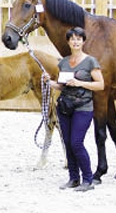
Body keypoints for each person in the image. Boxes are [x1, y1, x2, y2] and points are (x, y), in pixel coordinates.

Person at [43, 27, 104, 192]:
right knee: (68, 144)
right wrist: (49, 82)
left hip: (83, 107)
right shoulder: (63, 63)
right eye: (72, 39)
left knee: (76, 142)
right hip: (65, 106)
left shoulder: (91, 62)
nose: (76, 42)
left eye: (79, 39)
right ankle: (73, 178)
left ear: (83, 42)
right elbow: (61, 86)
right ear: (68, 42)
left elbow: (100, 85)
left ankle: (88, 179)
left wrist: (81, 83)